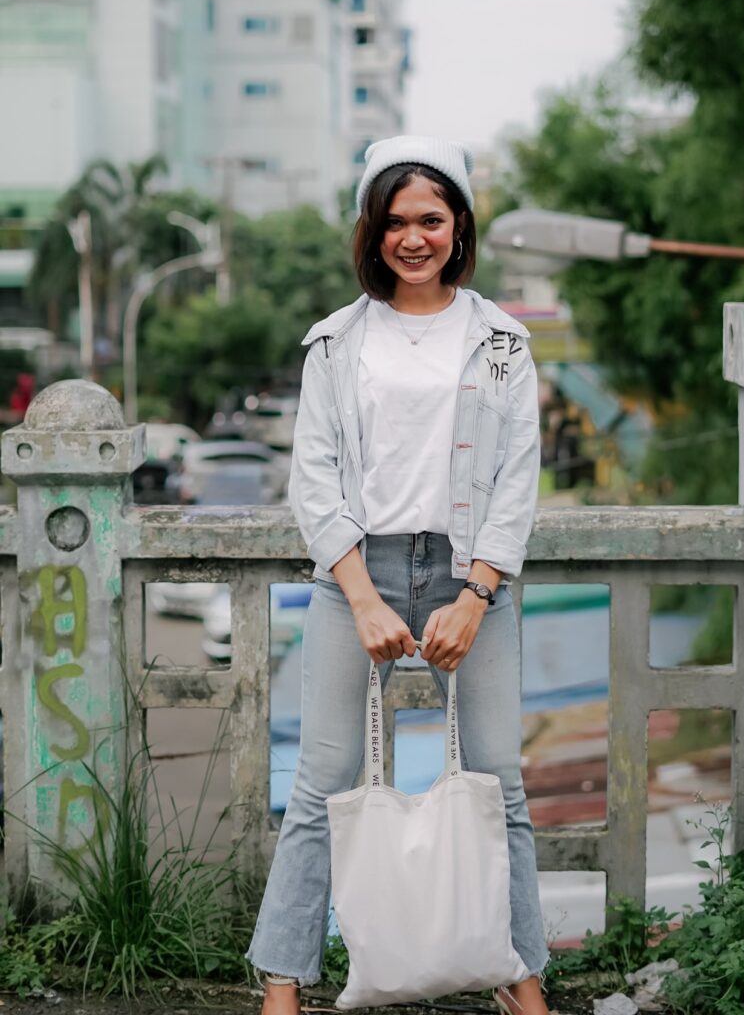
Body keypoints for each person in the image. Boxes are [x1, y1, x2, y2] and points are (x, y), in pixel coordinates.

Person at [246, 135, 551, 1015]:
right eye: (393, 222)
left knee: (500, 785)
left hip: (471, 575)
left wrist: (478, 593)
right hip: (358, 575)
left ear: (458, 228)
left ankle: (517, 975)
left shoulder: (499, 341)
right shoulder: (337, 344)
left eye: (430, 219)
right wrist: (362, 594)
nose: (411, 237)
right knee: (322, 785)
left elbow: (516, 477)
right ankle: (282, 985)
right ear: (370, 233)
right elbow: (313, 479)